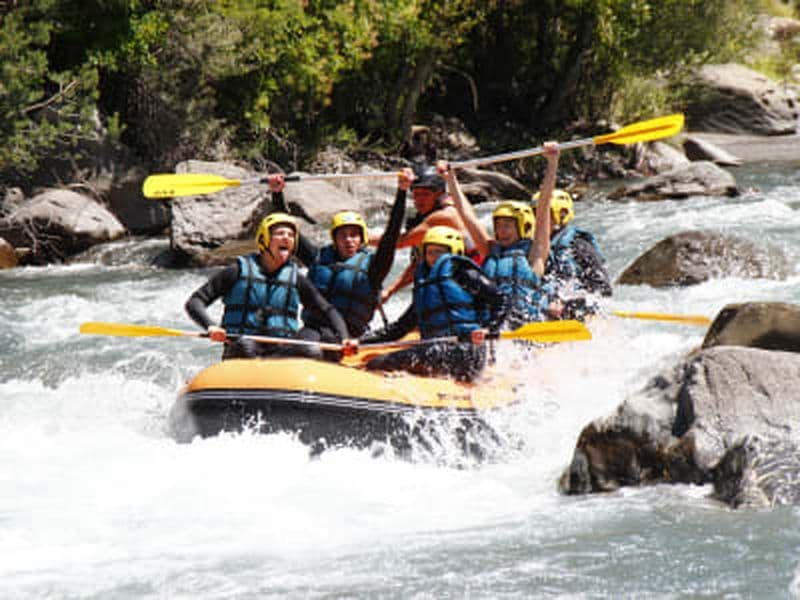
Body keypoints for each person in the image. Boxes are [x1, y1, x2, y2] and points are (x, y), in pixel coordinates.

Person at [270, 169, 409, 356]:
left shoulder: (375, 267)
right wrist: (277, 193)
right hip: (314, 328)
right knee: (303, 346)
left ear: (362, 239)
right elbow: (288, 229)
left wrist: (402, 191)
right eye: (343, 235)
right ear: (334, 239)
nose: (348, 240)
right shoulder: (318, 258)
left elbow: (391, 235)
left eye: (354, 235)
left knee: (320, 347)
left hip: (349, 335)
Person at [184, 210, 358, 360]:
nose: (286, 238)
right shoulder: (236, 271)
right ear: (265, 239)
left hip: (280, 352)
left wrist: (344, 338)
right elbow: (195, 301)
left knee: (310, 350)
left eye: (291, 235)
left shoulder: (296, 278)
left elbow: (327, 310)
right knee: (246, 346)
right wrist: (210, 326)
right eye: (280, 233)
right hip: (241, 347)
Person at [361, 226, 509, 382]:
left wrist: (489, 329)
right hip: (439, 350)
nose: (433, 257)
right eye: (429, 252)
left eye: (439, 252)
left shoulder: (465, 274)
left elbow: (501, 300)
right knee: (378, 362)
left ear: (455, 251)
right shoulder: (426, 287)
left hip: (467, 350)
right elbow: (400, 328)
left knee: (379, 364)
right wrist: (360, 341)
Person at [445, 142, 562, 326]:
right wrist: (450, 178)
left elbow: (544, 206)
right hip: (493, 326)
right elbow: (467, 215)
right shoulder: (490, 250)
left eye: (508, 226)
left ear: (522, 227)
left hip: (526, 325)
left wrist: (552, 162)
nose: (501, 231)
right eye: (498, 226)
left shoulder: (535, 254)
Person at [377, 164, 480, 303]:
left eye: (425, 194)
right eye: (416, 194)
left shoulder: (445, 216)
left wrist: (360, 237)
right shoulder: (434, 214)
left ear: (439, 194)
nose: (420, 200)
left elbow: (397, 243)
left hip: (466, 289)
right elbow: (419, 263)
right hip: (447, 285)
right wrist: (390, 291)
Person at [531, 188, 612, 319]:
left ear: (561, 215)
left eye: (544, 214)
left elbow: (603, 288)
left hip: (577, 312)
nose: (537, 220)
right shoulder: (532, 248)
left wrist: (567, 303)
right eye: (534, 214)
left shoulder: (578, 245)